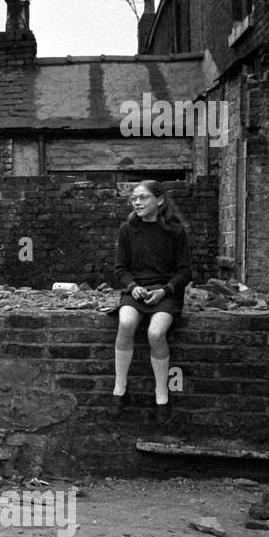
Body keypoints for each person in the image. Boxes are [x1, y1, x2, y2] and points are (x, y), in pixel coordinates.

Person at [111, 180, 192, 424]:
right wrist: (132, 287)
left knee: (156, 333)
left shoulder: (176, 232)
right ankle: (119, 389)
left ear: (159, 200)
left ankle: (161, 395)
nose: (137, 202)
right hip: (135, 292)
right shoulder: (127, 230)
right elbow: (120, 270)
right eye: (134, 198)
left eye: (143, 197)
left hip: (166, 294)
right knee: (126, 324)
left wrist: (165, 291)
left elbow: (185, 272)